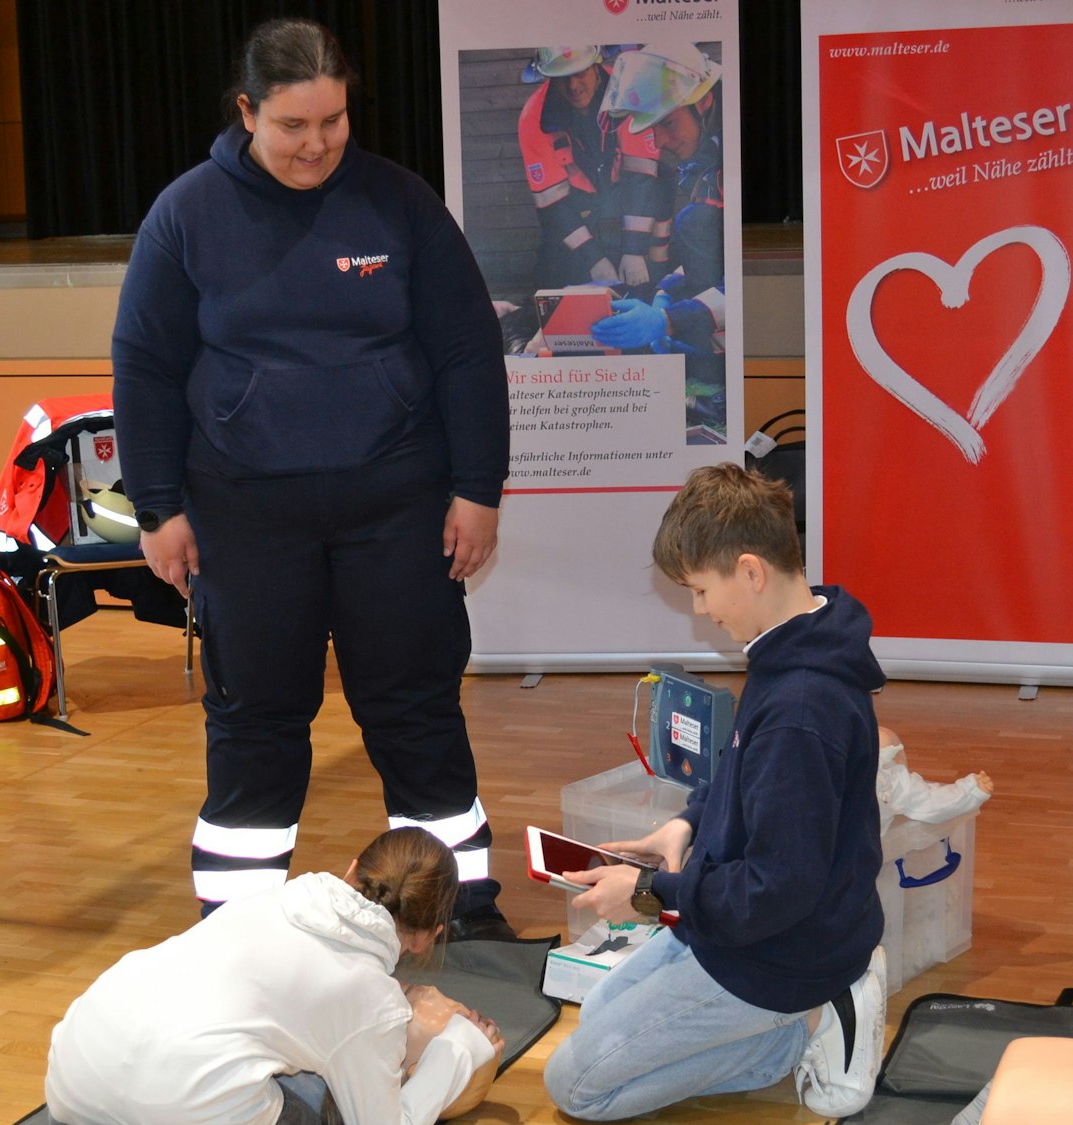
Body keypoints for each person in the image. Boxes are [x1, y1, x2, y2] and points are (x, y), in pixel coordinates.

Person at [110, 18, 515, 938]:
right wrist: (159, 506)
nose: (318, 144)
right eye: (294, 125)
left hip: (398, 514)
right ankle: (238, 930)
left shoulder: (398, 204)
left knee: (414, 707)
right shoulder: (187, 214)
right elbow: (143, 365)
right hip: (246, 523)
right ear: (247, 112)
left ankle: (462, 910)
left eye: (333, 121)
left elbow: (466, 353)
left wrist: (478, 487)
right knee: (256, 720)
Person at [543, 464, 888, 1120]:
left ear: (751, 570)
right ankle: (780, 1031)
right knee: (594, 1011)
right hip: (744, 928)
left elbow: (776, 889)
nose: (702, 609)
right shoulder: (791, 647)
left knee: (575, 1086)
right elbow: (743, 774)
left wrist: (647, 892)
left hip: (776, 953)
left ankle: (793, 1034)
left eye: (702, 590)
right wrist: (688, 824)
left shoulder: (800, 704)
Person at [44, 827, 506, 1125]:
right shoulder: (371, 1000)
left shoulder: (264, 898)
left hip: (73, 1080)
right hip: (175, 1103)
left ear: (351, 869)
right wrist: (457, 1051)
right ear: (429, 936)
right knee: (323, 1096)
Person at [589, 43, 728, 442]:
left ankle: (728, 396)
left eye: (667, 124)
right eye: (653, 130)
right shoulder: (709, 162)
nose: (660, 141)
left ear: (705, 104)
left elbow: (749, 284)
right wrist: (669, 288)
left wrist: (667, 318)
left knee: (693, 221)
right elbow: (718, 263)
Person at [517, 46, 669, 291]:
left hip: (627, 193)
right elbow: (552, 204)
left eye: (580, 72)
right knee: (553, 277)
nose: (573, 85)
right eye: (561, 77)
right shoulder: (534, 118)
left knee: (664, 182)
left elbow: (642, 178)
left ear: (597, 65)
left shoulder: (628, 94)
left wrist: (634, 250)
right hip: (574, 204)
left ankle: (662, 285)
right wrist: (594, 260)